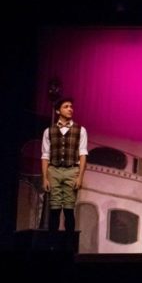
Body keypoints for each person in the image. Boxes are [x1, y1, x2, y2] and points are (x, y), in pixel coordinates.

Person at [41, 97, 88, 232]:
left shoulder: (80, 130)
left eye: (71, 106)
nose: (70, 109)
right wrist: (44, 178)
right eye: (66, 106)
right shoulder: (49, 131)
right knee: (54, 210)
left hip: (72, 171)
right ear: (57, 111)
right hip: (53, 171)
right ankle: (52, 246)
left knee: (69, 210)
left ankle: (69, 246)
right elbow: (45, 156)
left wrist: (80, 177)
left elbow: (83, 154)